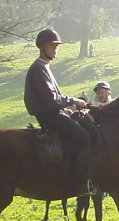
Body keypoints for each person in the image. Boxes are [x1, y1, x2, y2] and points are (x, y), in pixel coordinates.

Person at [24, 29, 94, 196]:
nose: (56, 49)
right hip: (49, 116)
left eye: (57, 46)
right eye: (52, 46)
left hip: (54, 113)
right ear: (42, 47)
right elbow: (51, 99)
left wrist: (67, 109)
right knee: (84, 137)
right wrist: (73, 101)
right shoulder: (38, 68)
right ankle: (80, 182)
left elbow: (54, 99)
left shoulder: (44, 67)